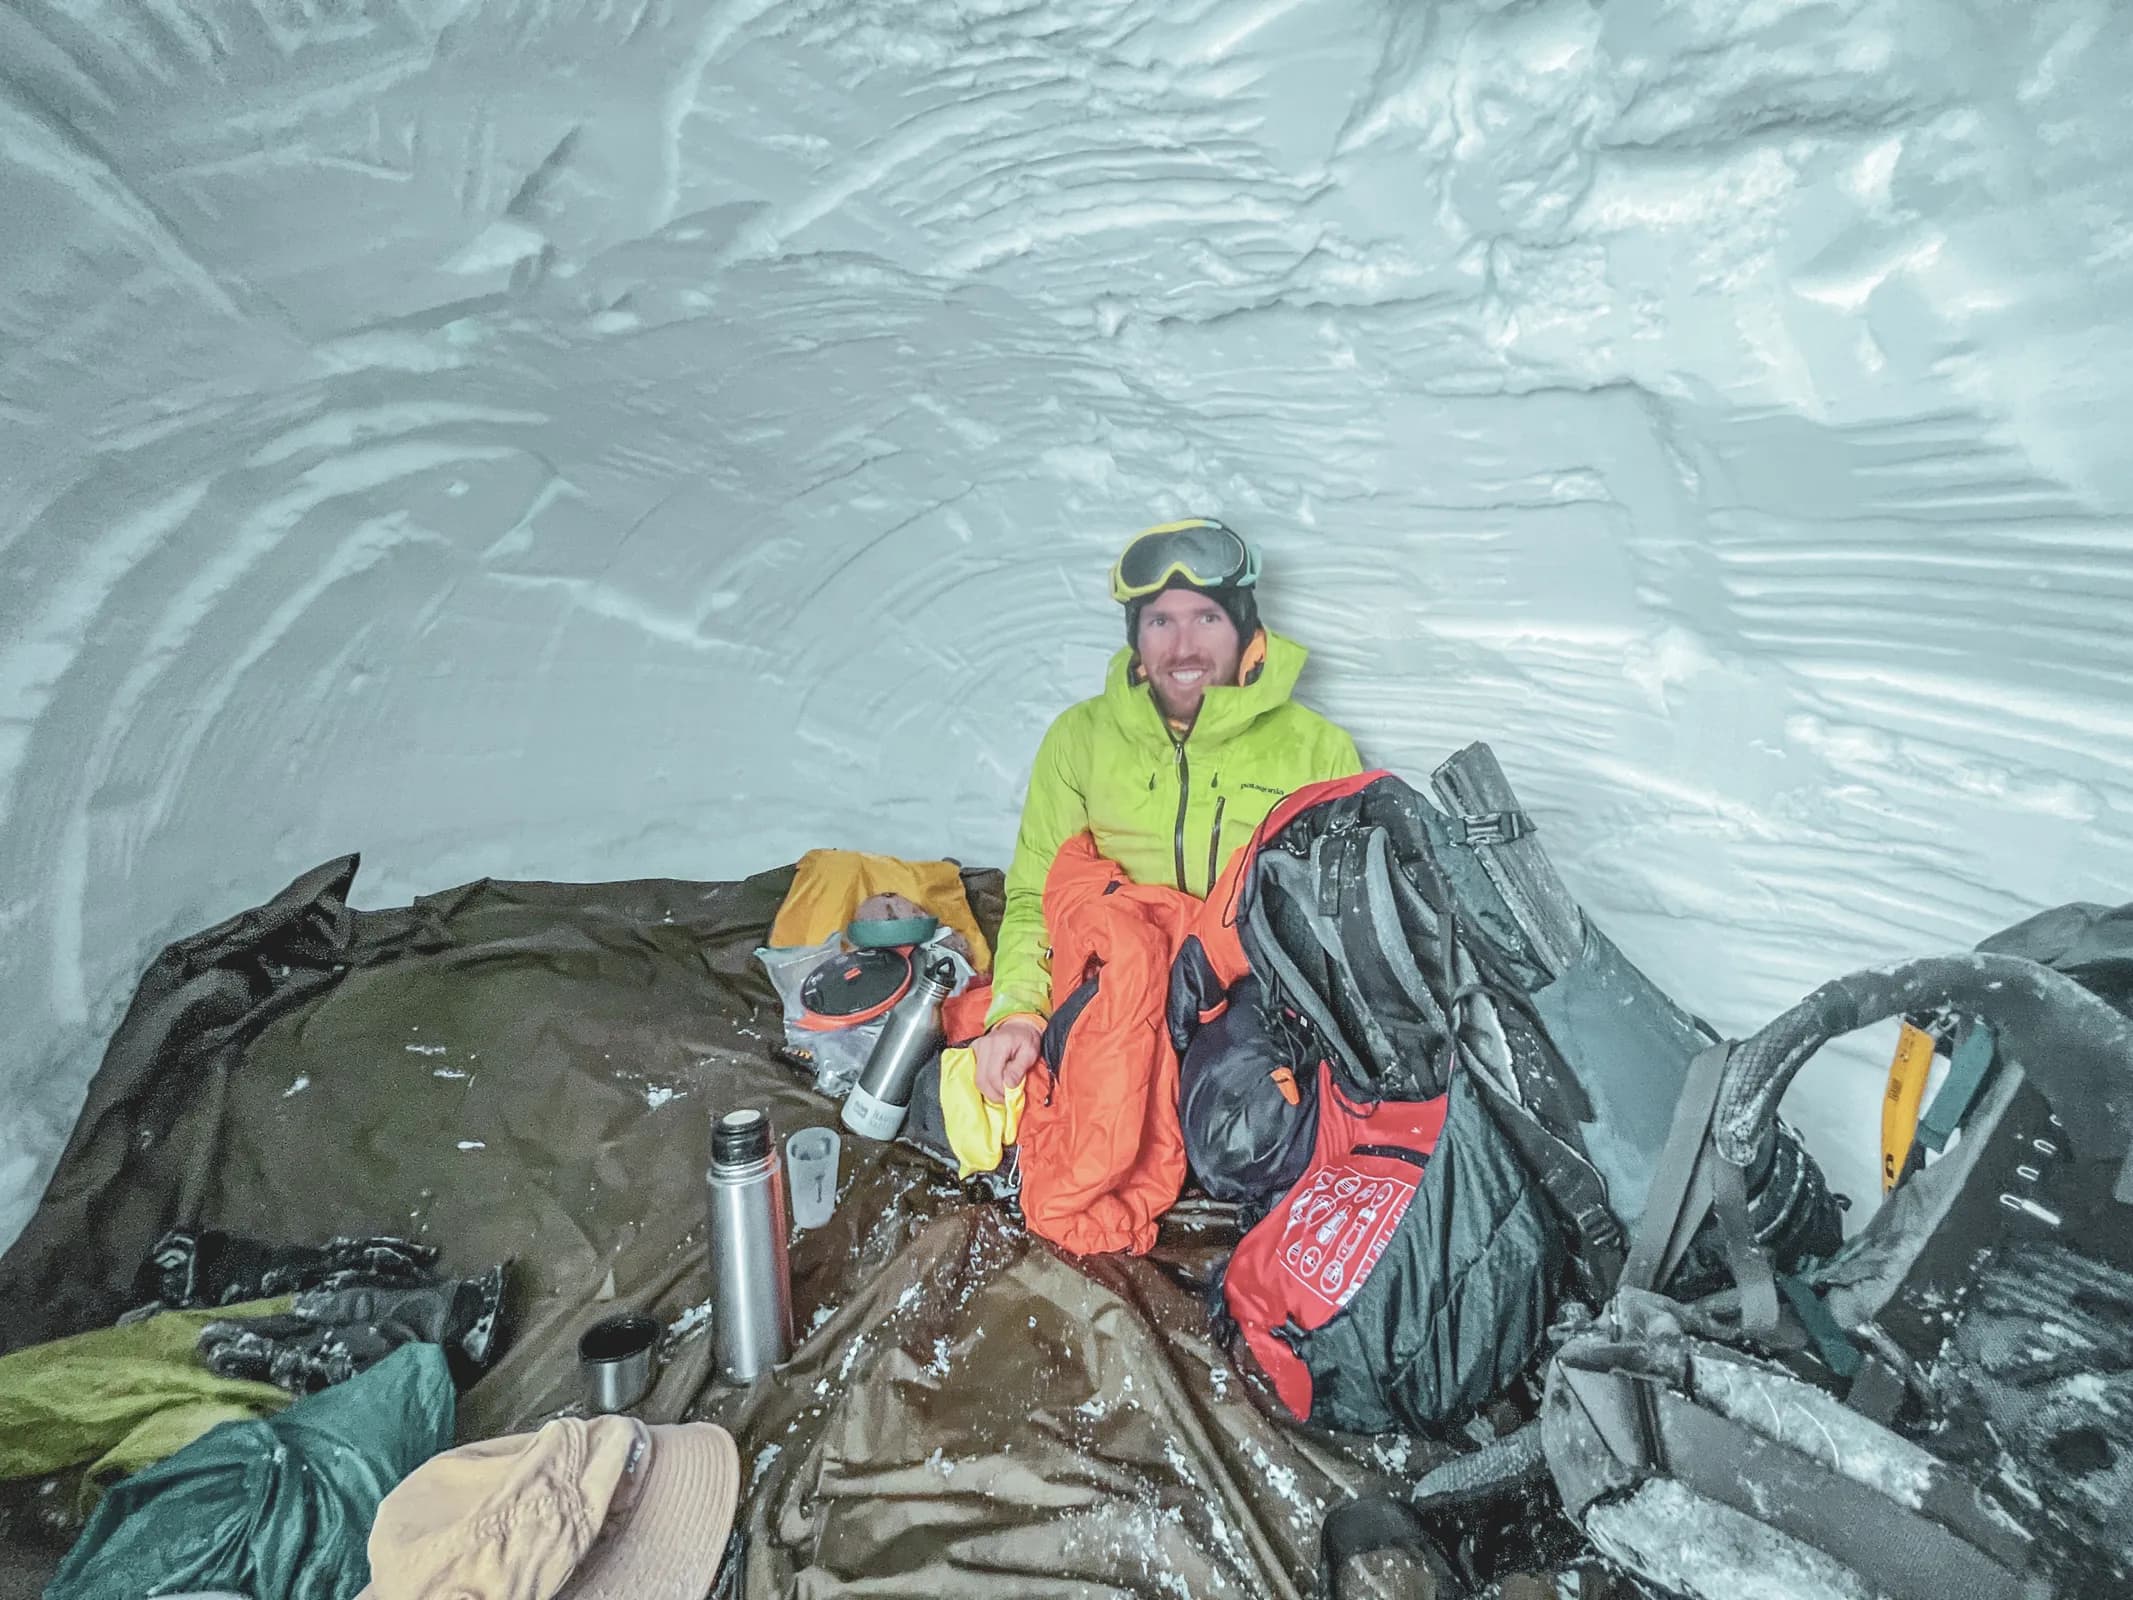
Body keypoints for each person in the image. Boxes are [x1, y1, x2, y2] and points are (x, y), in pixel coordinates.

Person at [973, 517, 1365, 1101]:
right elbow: (1036, 899)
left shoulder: (1318, 751)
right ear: (1136, 634)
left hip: (1251, 1019)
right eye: (1161, 621)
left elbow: (1345, 928)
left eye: (1206, 618)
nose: (1184, 647)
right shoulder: (1079, 740)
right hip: (1116, 1005)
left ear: (1243, 626)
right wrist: (1020, 1012)